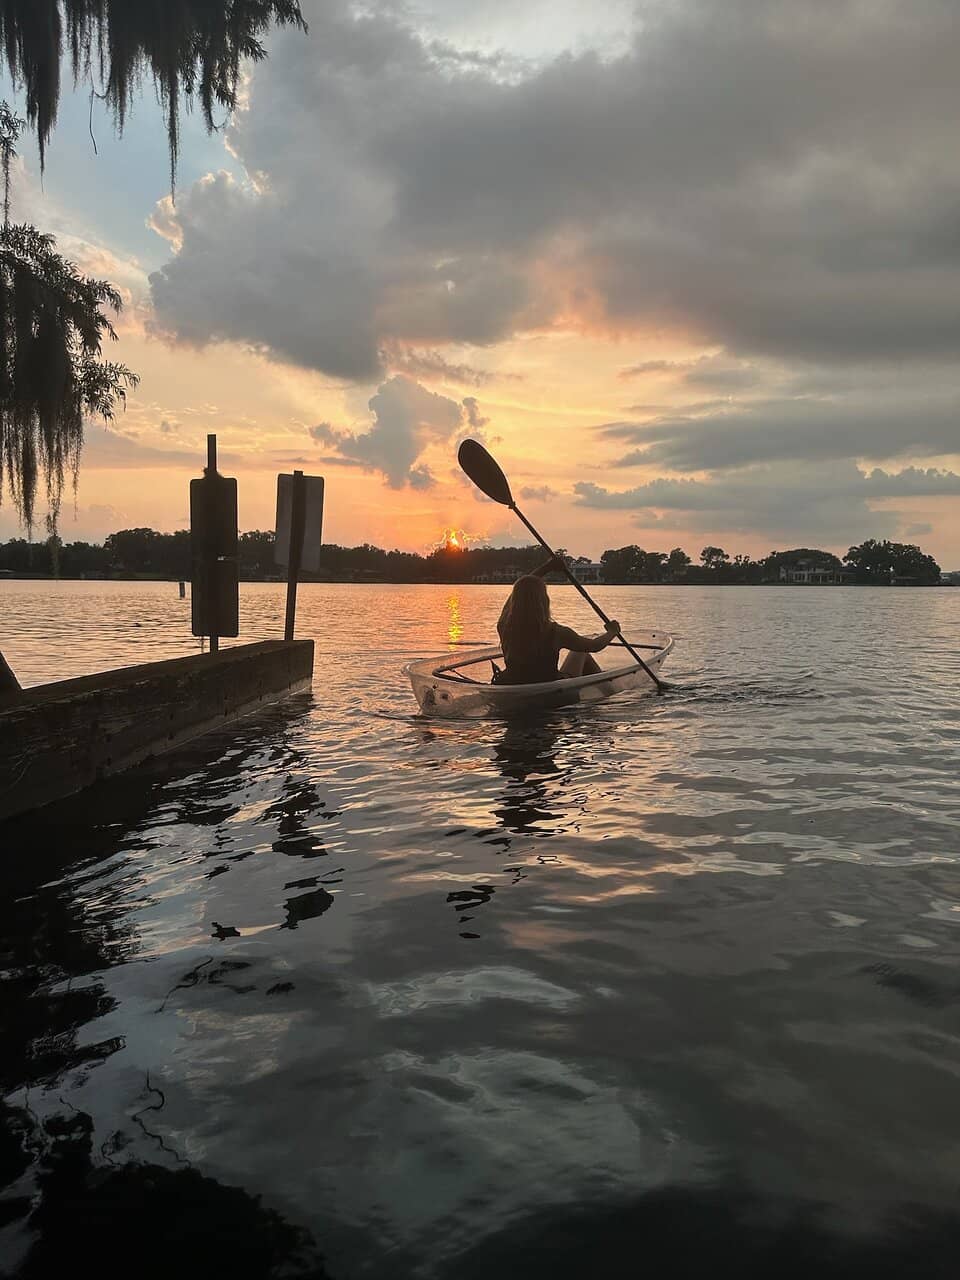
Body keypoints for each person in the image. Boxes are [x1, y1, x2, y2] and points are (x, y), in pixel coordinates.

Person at [494, 557, 621, 685]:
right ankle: (609, 692)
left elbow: (521, 590)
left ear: (515, 601)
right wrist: (612, 632)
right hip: (554, 693)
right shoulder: (557, 632)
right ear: (544, 601)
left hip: (514, 686)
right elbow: (594, 646)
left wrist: (546, 567)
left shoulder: (504, 626)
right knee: (580, 652)